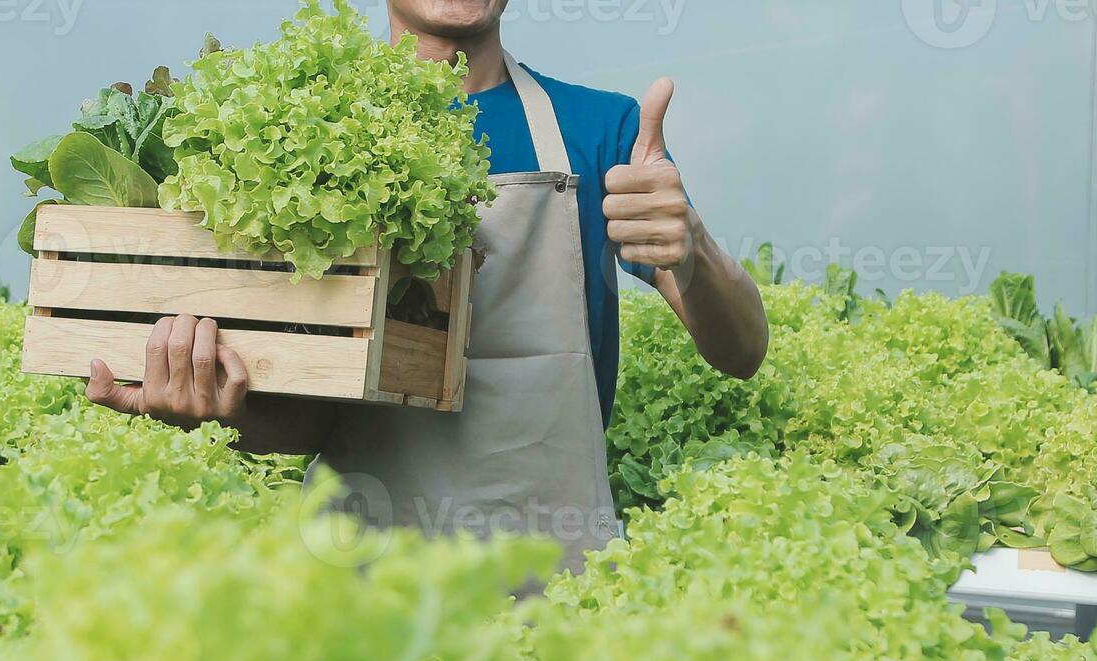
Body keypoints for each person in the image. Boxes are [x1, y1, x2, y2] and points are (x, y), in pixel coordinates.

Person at [84, 0, 769, 572]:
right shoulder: (300, 141)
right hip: (366, 585)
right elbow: (313, 420)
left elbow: (740, 351)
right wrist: (216, 406)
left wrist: (694, 246)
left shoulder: (601, 131)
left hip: (557, 580)